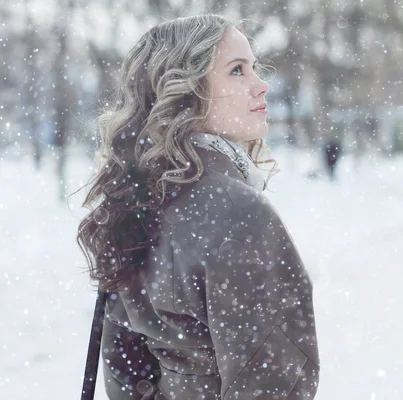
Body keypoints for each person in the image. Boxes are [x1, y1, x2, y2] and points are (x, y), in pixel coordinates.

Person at [77, 15, 319, 399]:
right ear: (187, 93)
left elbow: (124, 370)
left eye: (254, 68)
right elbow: (275, 384)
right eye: (238, 70)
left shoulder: (138, 201)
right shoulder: (238, 212)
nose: (262, 85)